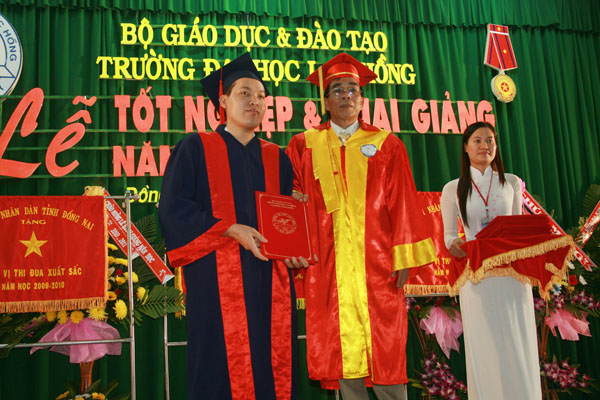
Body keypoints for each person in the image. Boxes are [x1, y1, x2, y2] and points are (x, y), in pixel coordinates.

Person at [285, 53, 437, 400]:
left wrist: (404, 257)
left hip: (378, 266)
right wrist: (294, 247)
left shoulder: (387, 144)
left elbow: (403, 202)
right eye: (337, 90)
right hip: (327, 267)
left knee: (386, 351)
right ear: (325, 101)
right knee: (341, 355)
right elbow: (290, 202)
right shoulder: (304, 144)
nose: (346, 96)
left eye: (352, 89)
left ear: (363, 98)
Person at [158, 53, 305, 400]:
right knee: (218, 367)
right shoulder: (195, 147)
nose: (255, 101)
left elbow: (285, 221)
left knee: (273, 362)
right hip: (215, 283)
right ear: (222, 101)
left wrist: (295, 251)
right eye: (244, 93)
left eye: (261, 95)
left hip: (271, 283)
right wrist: (229, 229)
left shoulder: (277, 157)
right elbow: (174, 209)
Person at [440, 121, 541, 400]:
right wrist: (455, 245)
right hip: (476, 278)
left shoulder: (512, 182)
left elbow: (518, 229)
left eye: (490, 141)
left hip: (512, 277)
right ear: (465, 147)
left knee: (516, 340)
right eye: (478, 141)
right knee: (484, 344)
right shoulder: (452, 188)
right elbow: (449, 236)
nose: (485, 146)